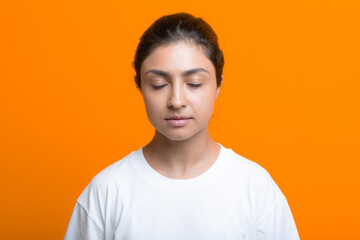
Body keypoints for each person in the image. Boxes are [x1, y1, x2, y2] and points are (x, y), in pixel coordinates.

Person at [65, 12, 300, 240]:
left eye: (194, 83)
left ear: (218, 85)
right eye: (158, 84)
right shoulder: (107, 192)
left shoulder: (256, 189)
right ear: (140, 87)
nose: (176, 101)